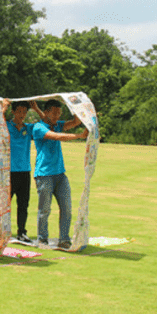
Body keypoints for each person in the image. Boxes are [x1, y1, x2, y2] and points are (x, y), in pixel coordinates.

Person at [32, 99, 88, 249]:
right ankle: (42, 239)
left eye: (59, 113)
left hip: (60, 174)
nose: (57, 116)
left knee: (67, 208)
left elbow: (76, 121)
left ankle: (64, 239)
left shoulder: (57, 124)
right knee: (44, 209)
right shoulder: (38, 127)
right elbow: (58, 137)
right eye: (55, 113)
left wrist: (76, 105)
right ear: (47, 112)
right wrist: (79, 136)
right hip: (44, 174)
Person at [4, 99, 36, 243]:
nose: (22, 115)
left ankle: (22, 232)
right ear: (13, 112)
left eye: (25, 112)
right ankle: (3, 231)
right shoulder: (5, 126)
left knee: (23, 204)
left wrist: (36, 108)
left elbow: (47, 124)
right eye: (19, 111)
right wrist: (3, 108)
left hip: (24, 171)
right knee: (5, 204)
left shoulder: (28, 128)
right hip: (8, 171)